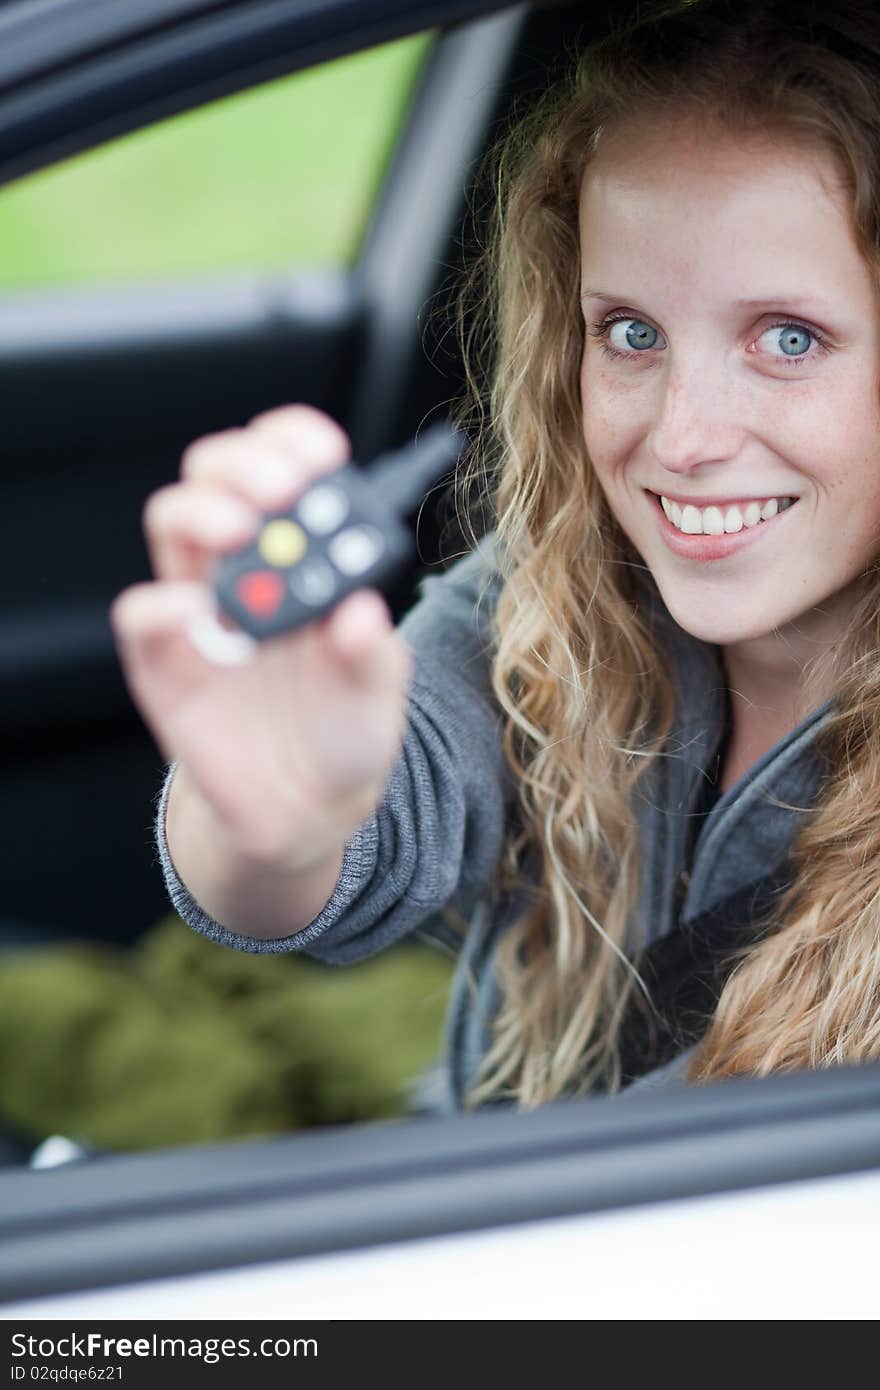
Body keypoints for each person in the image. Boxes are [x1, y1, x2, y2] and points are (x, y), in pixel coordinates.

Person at [111, 0, 880, 1112]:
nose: (678, 436)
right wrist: (266, 825)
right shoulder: (565, 587)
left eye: (788, 339)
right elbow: (346, 835)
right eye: (629, 333)